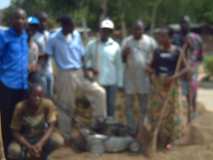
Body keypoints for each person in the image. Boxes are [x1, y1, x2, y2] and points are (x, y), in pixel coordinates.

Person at [45, 15, 106, 140]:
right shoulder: (53, 38)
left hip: (79, 72)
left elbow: (81, 55)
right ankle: (65, 135)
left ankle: (98, 124)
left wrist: (86, 71)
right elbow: (47, 56)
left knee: (100, 92)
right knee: (67, 105)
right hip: (64, 74)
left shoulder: (76, 35)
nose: (73, 27)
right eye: (71, 25)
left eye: (74, 25)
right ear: (64, 26)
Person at [146, 28, 188, 148]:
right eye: (159, 36)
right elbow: (151, 66)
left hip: (172, 85)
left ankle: (171, 140)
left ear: (170, 38)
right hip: (159, 85)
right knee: (157, 111)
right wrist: (149, 70)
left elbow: (186, 68)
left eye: (163, 36)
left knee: (172, 111)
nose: (160, 39)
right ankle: (159, 137)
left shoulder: (177, 51)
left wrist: (175, 76)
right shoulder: (157, 51)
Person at [7, 84, 64, 159]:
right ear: (28, 96)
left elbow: (51, 126)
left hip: (40, 137)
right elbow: (15, 132)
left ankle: (42, 155)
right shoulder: (20, 107)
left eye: (40, 96)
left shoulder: (47, 104)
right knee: (13, 150)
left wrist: (40, 144)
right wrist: (29, 146)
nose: (37, 98)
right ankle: (26, 156)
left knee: (58, 140)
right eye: (34, 96)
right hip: (24, 139)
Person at [0, 8, 28, 156]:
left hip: (23, 85)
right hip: (7, 85)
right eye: (17, 18)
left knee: (21, 119)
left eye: (23, 18)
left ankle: (20, 151)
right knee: (7, 121)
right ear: (11, 20)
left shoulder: (24, 36)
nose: (20, 21)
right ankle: (8, 152)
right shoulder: (3, 36)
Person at [121, 20, 157, 133]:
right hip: (130, 78)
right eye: (135, 29)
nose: (137, 31)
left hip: (144, 78)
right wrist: (124, 54)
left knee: (144, 107)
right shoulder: (126, 41)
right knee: (128, 107)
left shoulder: (150, 41)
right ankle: (131, 128)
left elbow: (157, 57)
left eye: (139, 29)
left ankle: (142, 129)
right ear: (132, 30)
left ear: (143, 29)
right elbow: (122, 60)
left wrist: (152, 69)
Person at [85, 19, 123, 118]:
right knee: (98, 108)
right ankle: (98, 128)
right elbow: (85, 61)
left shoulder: (115, 46)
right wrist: (90, 69)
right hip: (97, 82)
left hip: (112, 82)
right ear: (100, 30)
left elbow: (119, 66)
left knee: (110, 107)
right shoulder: (92, 45)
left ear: (111, 32)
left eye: (108, 30)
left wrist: (120, 83)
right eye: (103, 30)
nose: (105, 32)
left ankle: (109, 129)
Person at [172, 16, 203, 122]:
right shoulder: (176, 38)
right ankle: (181, 119)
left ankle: (193, 117)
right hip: (179, 72)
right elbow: (173, 54)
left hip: (192, 72)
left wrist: (193, 68)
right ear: (179, 25)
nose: (184, 25)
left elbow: (200, 57)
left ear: (190, 25)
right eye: (182, 23)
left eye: (187, 23)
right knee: (180, 96)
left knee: (192, 95)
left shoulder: (197, 38)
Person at [33, 11, 54, 97]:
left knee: (50, 95)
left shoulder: (49, 35)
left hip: (49, 70)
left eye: (45, 21)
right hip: (39, 71)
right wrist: (42, 55)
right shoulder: (33, 36)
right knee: (42, 95)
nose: (43, 23)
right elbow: (32, 55)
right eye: (41, 21)